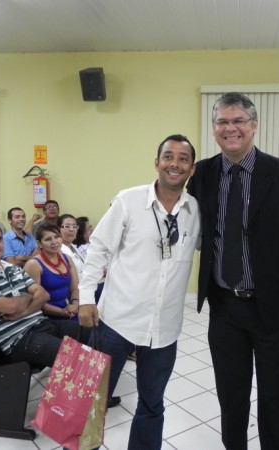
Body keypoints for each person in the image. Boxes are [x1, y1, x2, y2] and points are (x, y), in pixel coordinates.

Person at [186, 92, 279, 450]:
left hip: (271, 306)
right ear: (214, 128)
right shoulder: (202, 173)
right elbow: (183, 219)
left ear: (254, 125)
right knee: (230, 392)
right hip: (224, 305)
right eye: (222, 122)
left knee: (276, 393)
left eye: (238, 121)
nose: (230, 128)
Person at [78, 134, 201, 450]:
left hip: (164, 329)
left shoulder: (195, 211)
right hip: (116, 322)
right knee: (91, 403)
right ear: (157, 162)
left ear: (192, 168)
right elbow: (98, 248)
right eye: (168, 156)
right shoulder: (128, 201)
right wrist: (86, 298)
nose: (175, 164)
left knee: (152, 404)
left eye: (183, 159)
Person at [0, 220, 89, 368]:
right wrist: (29, 295)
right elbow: (10, 307)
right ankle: (83, 378)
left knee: (90, 331)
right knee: (75, 358)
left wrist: (23, 308)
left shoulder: (12, 268)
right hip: (18, 339)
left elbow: (44, 295)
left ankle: (84, 377)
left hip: (42, 324)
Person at [24, 224, 80, 321]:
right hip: (48, 316)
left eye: (57, 237)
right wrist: (61, 312)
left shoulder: (67, 259)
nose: (54, 242)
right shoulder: (33, 264)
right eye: (48, 239)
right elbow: (33, 301)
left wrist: (75, 304)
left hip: (70, 310)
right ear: (39, 243)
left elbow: (75, 288)